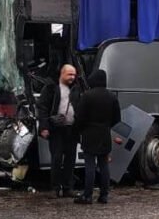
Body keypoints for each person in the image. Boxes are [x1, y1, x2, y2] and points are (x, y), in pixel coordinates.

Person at [73, 69, 121, 205]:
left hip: (89, 134)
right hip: (105, 134)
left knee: (90, 166)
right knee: (104, 165)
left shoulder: (87, 96)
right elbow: (117, 118)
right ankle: (104, 195)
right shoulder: (112, 97)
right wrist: (106, 126)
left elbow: (79, 117)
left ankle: (87, 196)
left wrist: (79, 130)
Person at [37, 64, 82, 198]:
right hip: (57, 129)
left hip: (71, 129)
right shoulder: (51, 88)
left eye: (74, 75)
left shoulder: (76, 88)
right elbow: (42, 107)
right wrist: (44, 126)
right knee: (56, 159)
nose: (72, 77)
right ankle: (55, 188)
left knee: (70, 159)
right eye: (70, 74)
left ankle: (68, 188)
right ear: (62, 74)